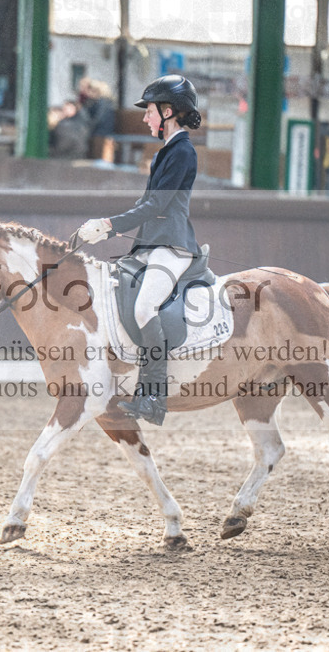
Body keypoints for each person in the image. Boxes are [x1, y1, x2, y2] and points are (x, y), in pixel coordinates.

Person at [76, 74, 203, 426]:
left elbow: (155, 207)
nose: (145, 118)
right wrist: (110, 227)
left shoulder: (183, 151)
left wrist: (109, 225)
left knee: (146, 307)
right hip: (151, 244)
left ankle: (153, 398)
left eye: (149, 112)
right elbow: (146, 202)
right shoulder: (166, 151)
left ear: (168, 111)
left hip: (171, 244)